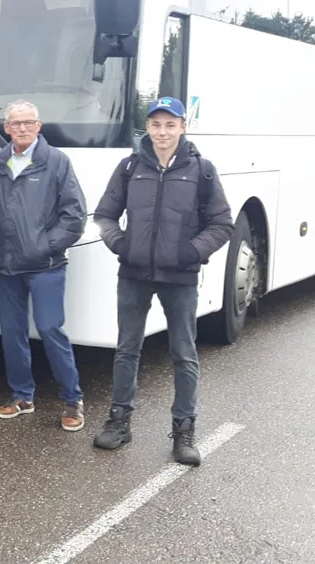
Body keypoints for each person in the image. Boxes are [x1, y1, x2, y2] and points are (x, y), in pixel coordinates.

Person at [92, 97, 232, 465]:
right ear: (148, 127)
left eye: (170, 125)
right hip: (134, 275)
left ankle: (184, 431)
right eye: (156, 124)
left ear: (183, 127)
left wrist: (191, 252)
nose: (163, 132)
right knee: (127, 349)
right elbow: (104, 216)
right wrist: (122, 245)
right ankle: (119, 422)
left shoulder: (202, 171)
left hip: (180, 279)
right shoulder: (129, 167)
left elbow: (222, 224)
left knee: (183, 354)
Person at [0, 100, 87, 431]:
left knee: (50, 329)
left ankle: (72, 399)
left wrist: (46, 246)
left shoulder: (57, 161)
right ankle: (22, 396)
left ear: (39, 126)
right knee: (12, 333)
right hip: (5, 266)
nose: (22, 128)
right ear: (6, 128)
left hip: (45, 266)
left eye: (28, 123)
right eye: (15, 123)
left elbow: (74, 215)